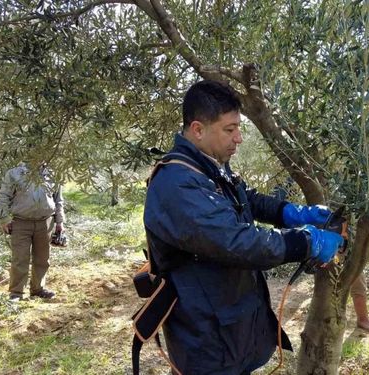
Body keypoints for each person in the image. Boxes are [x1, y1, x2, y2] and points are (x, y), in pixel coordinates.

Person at [143, 80, 344, 374]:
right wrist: (305, 242)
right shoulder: (176, 184)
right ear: (198, 129)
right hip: (205, 340)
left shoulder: (208, 165)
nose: (238, 138)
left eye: (239, 128)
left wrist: (290, 213)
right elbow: (235, 240)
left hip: (228, 326)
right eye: (229, 130)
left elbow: (244, 197)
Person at [271, 175, 369, 334]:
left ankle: (363, 318)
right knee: (324, 279)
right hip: (319, 239)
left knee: (356, 276)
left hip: (344, 237)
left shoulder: (350, 182)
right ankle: (321, 322)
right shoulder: (302, 178)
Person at [0, 161, 65, 301]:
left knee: (43, 259)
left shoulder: (53, 173)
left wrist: (60, 222)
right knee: (20, 258)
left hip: (46, 222)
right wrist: (4, 219)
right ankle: (16, 293)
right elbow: (3, 196)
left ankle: (38, 289)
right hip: (20, 222)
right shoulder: (14, 173)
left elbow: (59, 200)